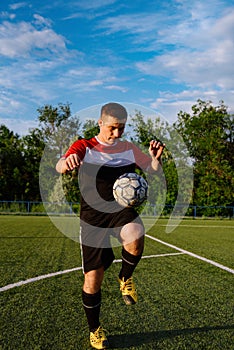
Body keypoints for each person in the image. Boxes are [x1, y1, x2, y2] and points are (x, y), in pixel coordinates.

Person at [56, 102, 165, 349]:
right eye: (113, 128)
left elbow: (152, 170)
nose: (117, 134)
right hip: (92, 220)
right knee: (93, 279)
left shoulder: (128, 149)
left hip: (120, 212)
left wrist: (155, 160)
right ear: (100, 123)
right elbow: (59, 165)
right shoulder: (84, 146)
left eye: (122, 129)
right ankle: (95, 330)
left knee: (135, 234)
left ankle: (125, 278)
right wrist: (67, 161)